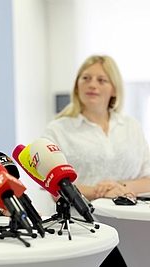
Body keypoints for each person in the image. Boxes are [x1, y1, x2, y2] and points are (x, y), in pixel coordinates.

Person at [42, 55, 150, 267]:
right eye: (86, 78)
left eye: (101, 80)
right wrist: (100, 191)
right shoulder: (57, 129)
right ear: (77, 86)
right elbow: (54, 189)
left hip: (135, 229)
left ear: (114, 89)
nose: (92, 84)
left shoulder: (131, 126)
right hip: (83, 231)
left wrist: (120, 187)